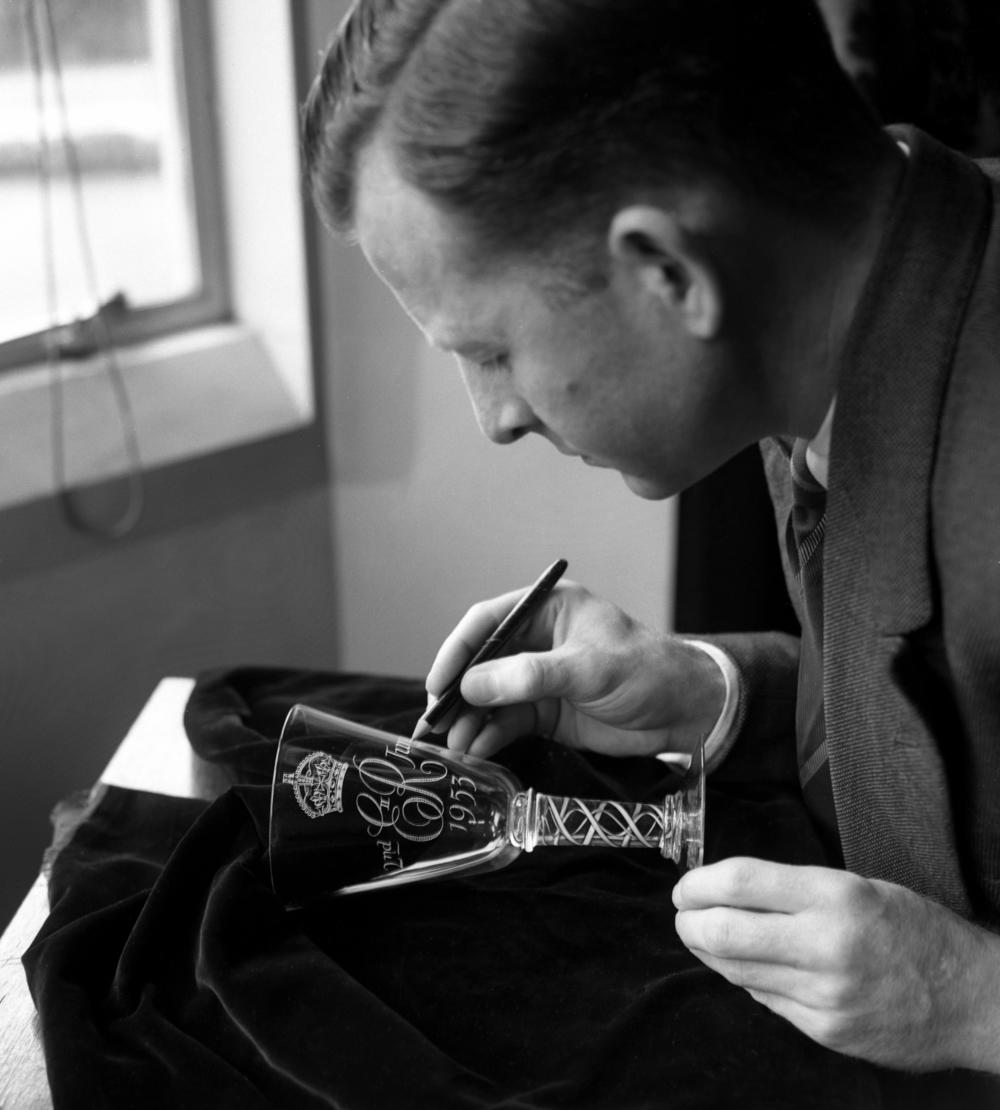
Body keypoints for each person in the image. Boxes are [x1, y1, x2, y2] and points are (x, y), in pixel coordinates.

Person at [302, 0, 1000, 1087]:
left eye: (489, 350)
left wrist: (972, 1000)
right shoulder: (841, 323)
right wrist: (711, 694)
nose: (495, 417)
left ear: (668, 274)